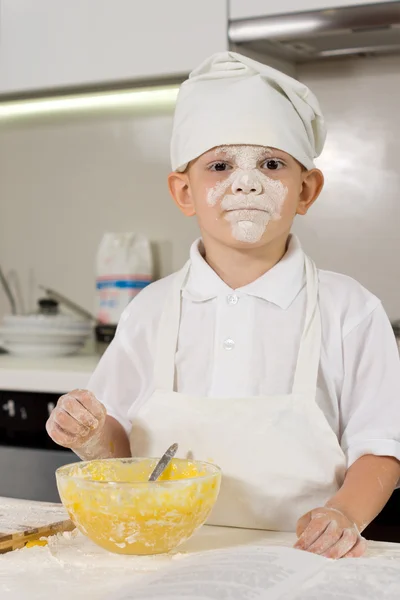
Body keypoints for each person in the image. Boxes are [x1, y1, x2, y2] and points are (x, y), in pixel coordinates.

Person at [46, 52, 400, 559]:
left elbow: (381, 448)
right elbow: (118, 446)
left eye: (272, 164)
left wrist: (343, 513)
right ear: (183, 192)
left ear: (307, 190)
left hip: (304, 560)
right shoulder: (152, 309)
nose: (247, 182)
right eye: (220, 165)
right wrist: (88, 432)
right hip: (163, 559)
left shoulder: (351, 309)